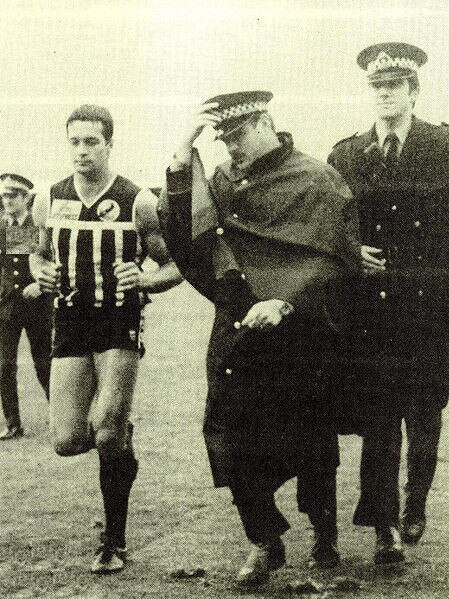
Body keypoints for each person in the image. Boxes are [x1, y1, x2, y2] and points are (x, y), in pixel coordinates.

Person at [158, 91, 361, 585]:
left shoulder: (316, 179)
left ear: (266, 121)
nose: (232, 147)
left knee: (311, 439)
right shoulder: (223, 182)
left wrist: (285, 302)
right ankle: (264, 539)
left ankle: (324, 530)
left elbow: (333, 260)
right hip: (238, 326)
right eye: (224, 138)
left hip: (302, 330)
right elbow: (187, 236)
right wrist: (182, 162)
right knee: (228, 435)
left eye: (239, 133)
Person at [30, 105, 182, 574]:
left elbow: (177, 265)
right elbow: (37, 255)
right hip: (71, 320)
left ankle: (113, 540)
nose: (81, 151)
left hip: (119, 320)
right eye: (74, 142)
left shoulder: (136, 200)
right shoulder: (48, 198)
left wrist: (145, 279)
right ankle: (122, 441)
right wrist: (44, 271)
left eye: (91, 142)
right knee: (68, 440)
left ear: (109, 144)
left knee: (107, 428)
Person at [328, 43, 449, 561]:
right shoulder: (347, 153)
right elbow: (330, 223)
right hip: (371, 312)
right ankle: (384, 527)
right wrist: (352, 252)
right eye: (377, 86)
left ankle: (414, 504)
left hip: (431, 308)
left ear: (414, 90)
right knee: (379, 418)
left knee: (424, 414)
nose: (384, 94)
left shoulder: (442, 147)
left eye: (394, 85)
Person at [0, 172, 52, 440]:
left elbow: (49, 260)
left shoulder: (39, 225)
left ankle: (61, 419)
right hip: (8, 306)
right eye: (4, 196)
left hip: (37, 305)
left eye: (12, 195)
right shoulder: (1, 225)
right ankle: (13, 423)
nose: (6, 200)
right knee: (4, 365)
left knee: (44, 364)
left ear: (25, 198)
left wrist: (41, 285)